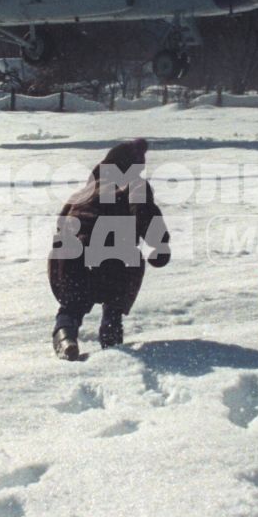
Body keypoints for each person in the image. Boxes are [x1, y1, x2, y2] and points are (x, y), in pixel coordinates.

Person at [49, 138, 170, 360]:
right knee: (115, 296)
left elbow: (61, 225)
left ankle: (66, 336)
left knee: (72, 305)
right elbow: (143, 211)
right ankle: (111, 340)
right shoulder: (135, 185)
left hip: (71, 252)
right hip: (113, 254)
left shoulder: (82, 193)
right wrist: (158, 243)